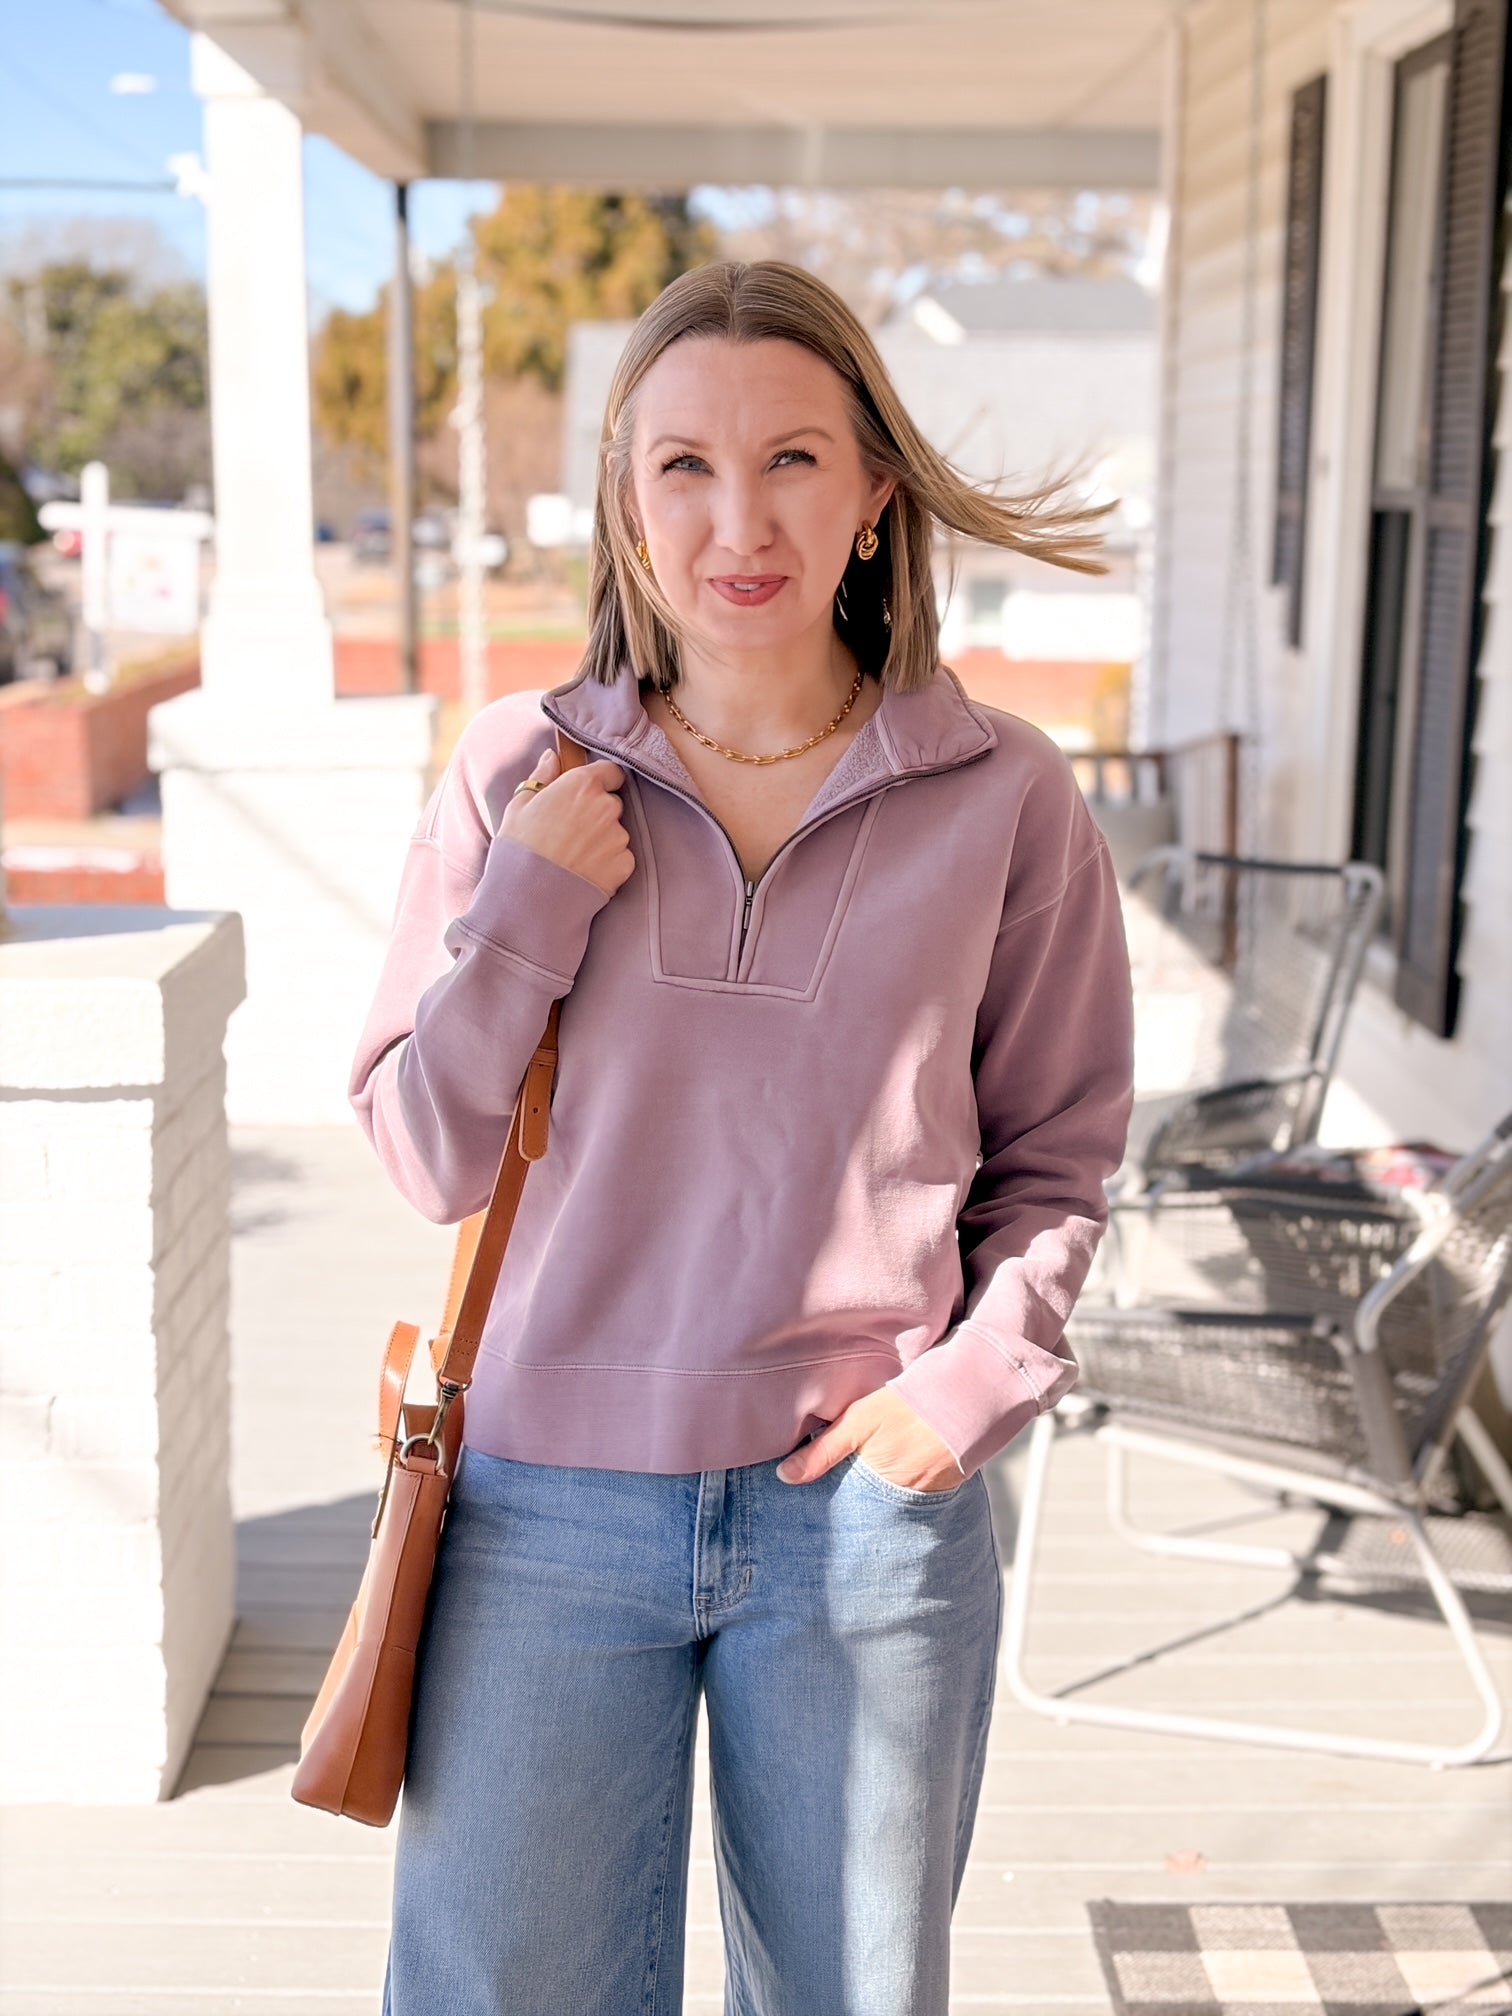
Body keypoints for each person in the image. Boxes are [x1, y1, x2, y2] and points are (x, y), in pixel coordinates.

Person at [352, 259, 1134, 2016]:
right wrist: (525, 917)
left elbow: (1060, 1147)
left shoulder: (1003, 794)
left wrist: (968, 1393)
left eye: (793, 458)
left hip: (860, 1512)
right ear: (626, 508)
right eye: (683, 467)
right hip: (542, 1505)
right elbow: (422, 1157)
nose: (738, 520)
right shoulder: (520, 771)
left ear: (873, 494)